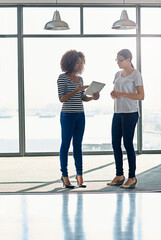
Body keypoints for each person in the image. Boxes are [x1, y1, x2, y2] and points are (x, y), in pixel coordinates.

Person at [57, 50, 99, 189]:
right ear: (70, 62)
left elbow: (82, 98)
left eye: (81, 62)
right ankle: (64, 176)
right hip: (67, 115)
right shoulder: (62, 78)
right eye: (77, 62)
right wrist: (76, 90)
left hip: (80, 115)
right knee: (65, 145)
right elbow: (62, 98)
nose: (80, 65)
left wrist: (92, 97)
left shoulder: (80, 79)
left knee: (78, 145)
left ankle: (80, 175)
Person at [107, 49, 144, 188]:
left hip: (130, 112)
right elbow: (115, 93)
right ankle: (119, 175)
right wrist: (113, 94)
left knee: (127, 144)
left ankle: (132, 177)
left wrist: (122, 94)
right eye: (116, 60)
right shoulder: (117, 74)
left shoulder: (136, 74)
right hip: (117, 112)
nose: (118, 62)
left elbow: (141, 96)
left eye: (120, 60)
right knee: (115, 143)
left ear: (128, 60)